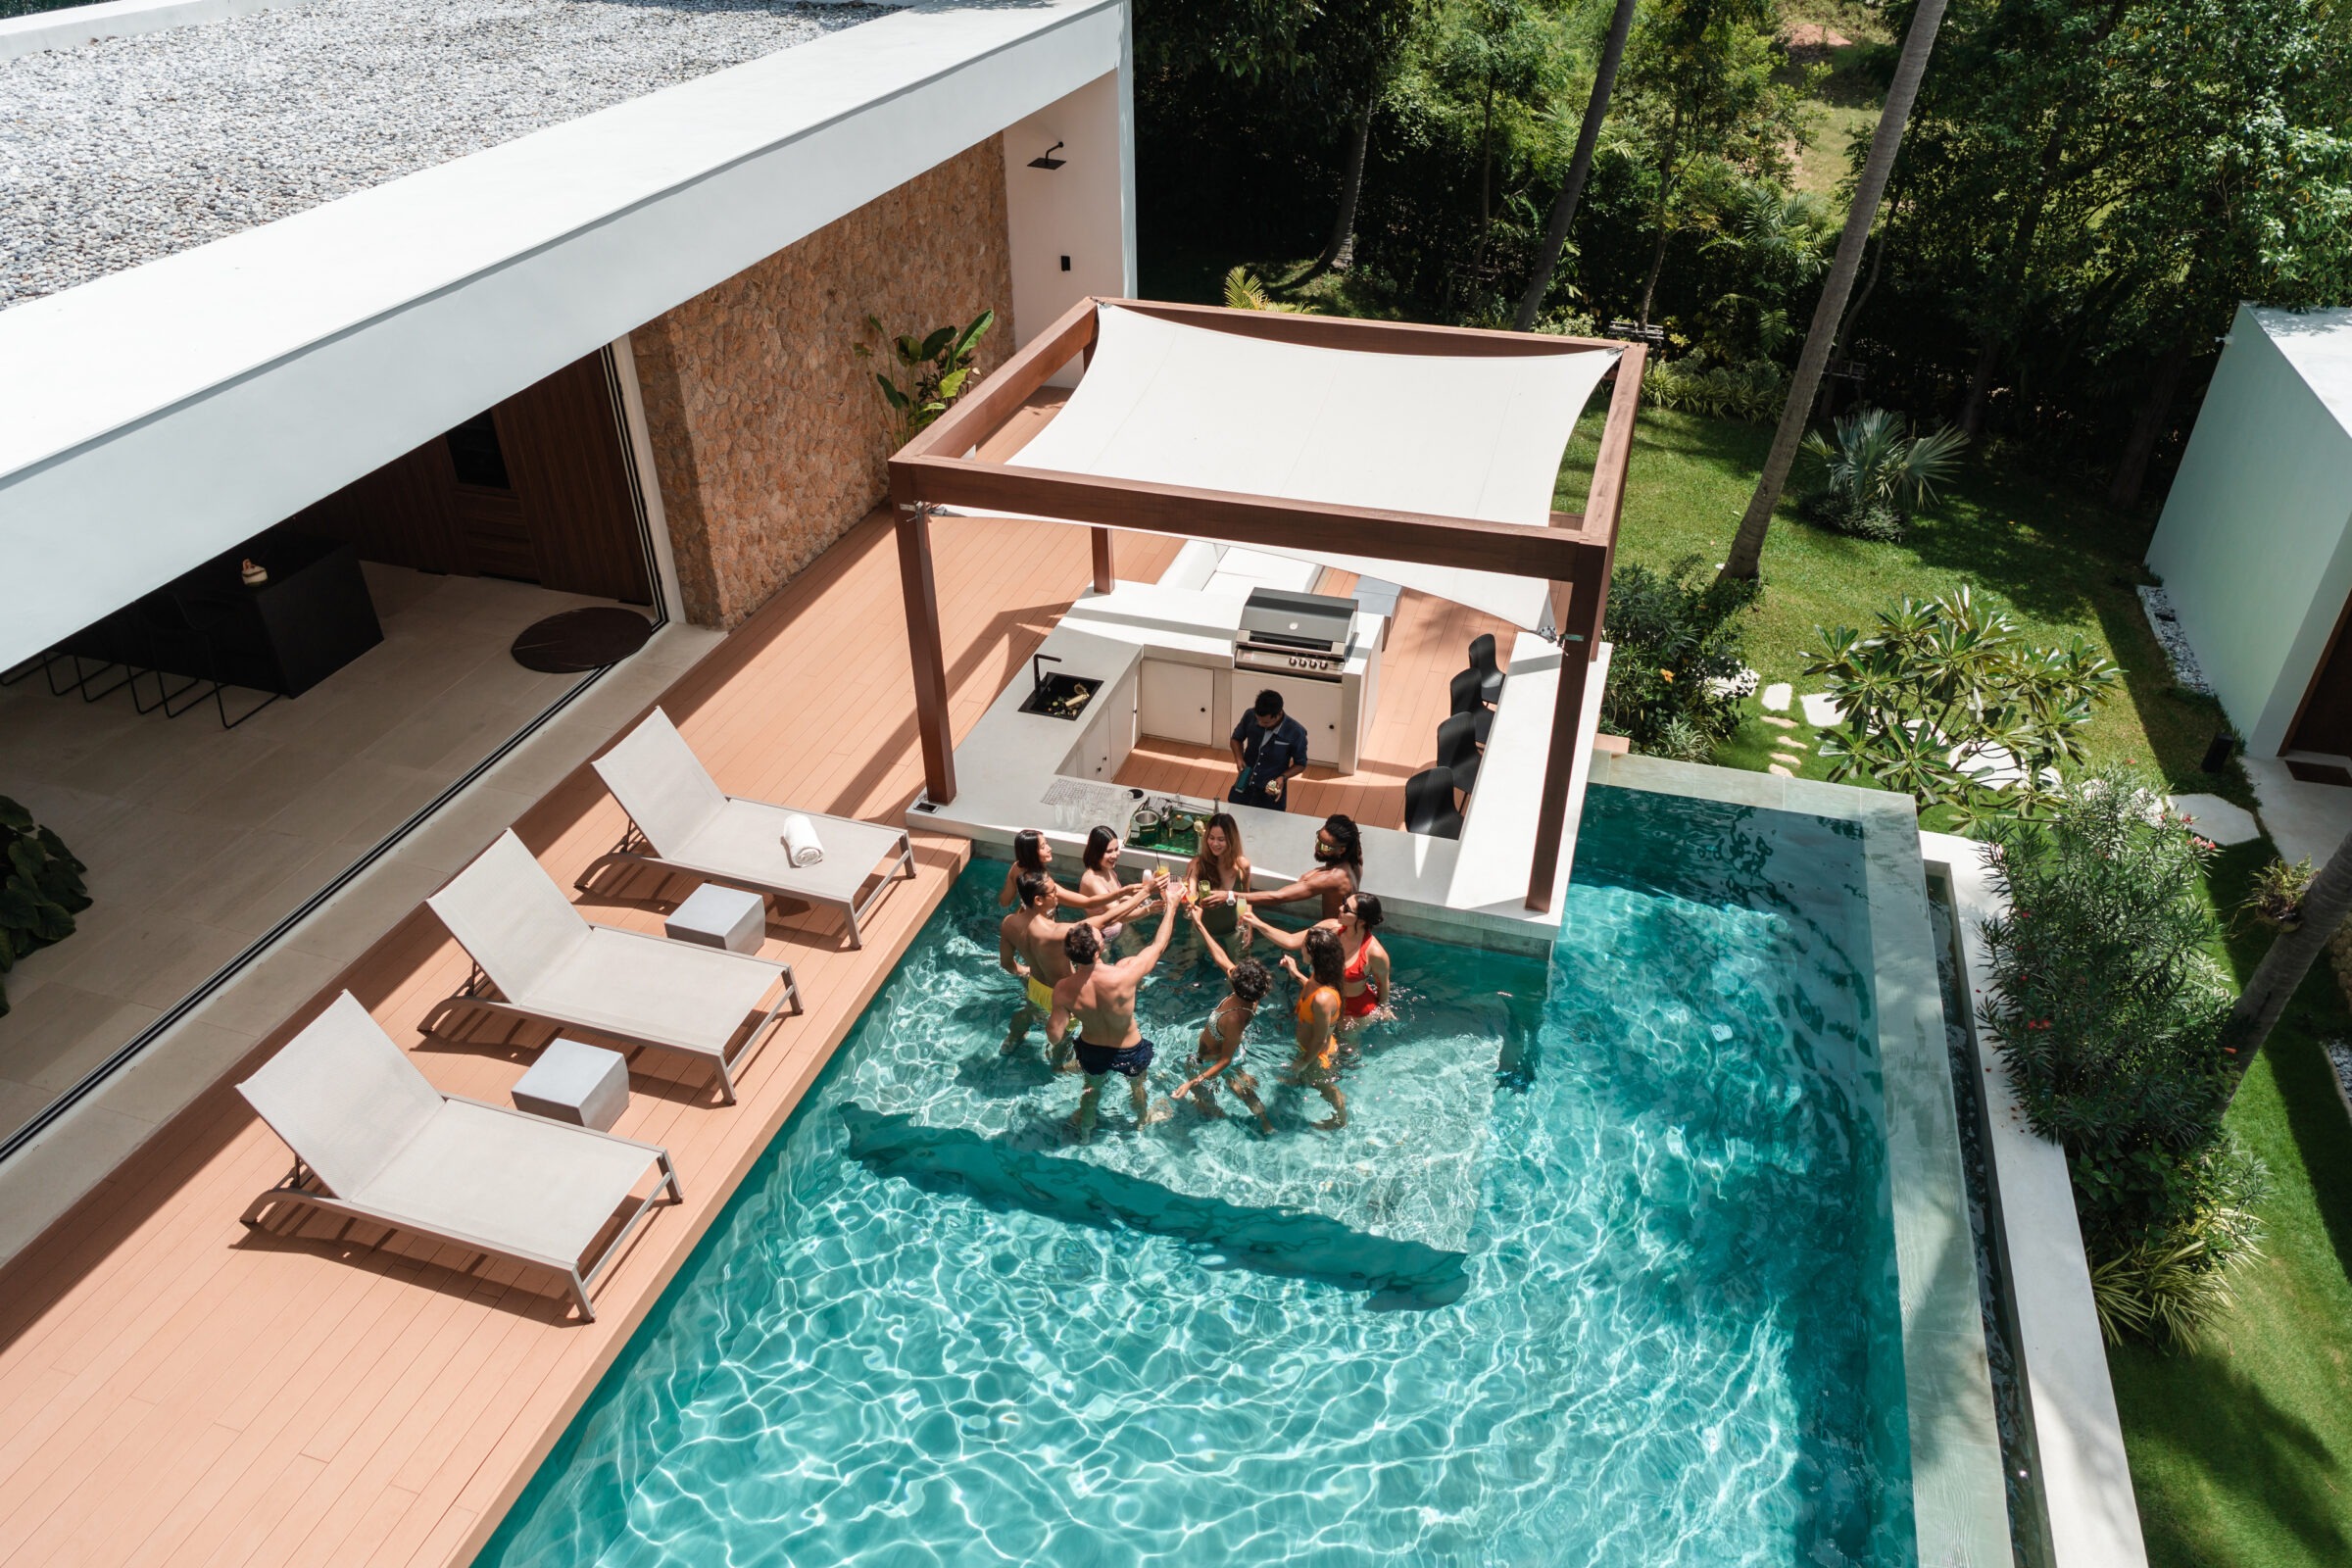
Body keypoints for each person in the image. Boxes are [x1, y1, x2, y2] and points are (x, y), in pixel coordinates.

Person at [1048, 889, 1182, 1135]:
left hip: (1092, 1050)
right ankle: (1142, 1119)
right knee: (1137, 1087)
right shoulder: (1124, 976)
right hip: (1130, 1048)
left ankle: (1086, 1127)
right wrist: (1172, 906)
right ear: (1098, 951)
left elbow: (1055, 1035)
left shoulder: (1064, 989)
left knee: (1091, 1088)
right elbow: (1158, 946)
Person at [998, 870, 1157, 1059]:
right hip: (1063, 994)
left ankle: (1013, 1037)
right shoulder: (1058, 932)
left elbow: (1006, 963)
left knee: (1029, 1011)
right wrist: (1146, 892)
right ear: (1039, 900)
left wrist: (1025, 970)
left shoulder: (1009, 923)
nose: (1057, 895)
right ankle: (1058, 1064)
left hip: (1036, 987)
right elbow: (1109, 919)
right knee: (1063, 1036)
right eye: (1053, 892)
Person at [1169, 906, 1275, 1134]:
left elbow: (1225, 1060)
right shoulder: (1248, 994)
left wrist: (1193, 1081)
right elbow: (1220, 957)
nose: (1231, 970)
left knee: (1239, 1090)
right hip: (1225, 1046)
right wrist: (1200, 924)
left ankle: (1264, 1123)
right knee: (1237, 1084)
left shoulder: (1234, 1017)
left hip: (1214, 1060)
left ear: (1235, 984)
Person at [1243, 891, 1390, 1040]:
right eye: (1344, 902)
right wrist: (1257, 923)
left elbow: (1382, 984)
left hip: (1354, 1011)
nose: (1340, 908)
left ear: (1362, 920)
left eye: (1346, 909)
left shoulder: (1375, 954)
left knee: (1346, 1050)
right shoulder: (1330, 928)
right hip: (1323, 996)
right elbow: (1291, 941)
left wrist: (1384, 1009)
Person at [1278, 925, 1348, 1130]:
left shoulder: (1323, 999)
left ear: (1313, 954)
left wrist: (1303, 1062)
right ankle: (1301, 1079)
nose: (1300, 949)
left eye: (1303, 947)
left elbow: (1320, 1039)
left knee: (1324, 1087)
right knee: (1306, 1080)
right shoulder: (1318, 977)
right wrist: (1294, 972)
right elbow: (1309, 990)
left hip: (1317, 1055)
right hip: (1307, 1048)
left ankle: (1340, 1119)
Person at [1245, 812, 1363, 921]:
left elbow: (1278, 898)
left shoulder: (1333, 879)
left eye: (1326, 847)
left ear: (1342, 849)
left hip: (1333, 937)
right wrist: (1318, 871)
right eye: (1318, 839)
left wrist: (1231, 896)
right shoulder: (1355, 858)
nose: (1318, 847)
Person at [997, 826, 1130, 916]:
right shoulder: (1045, 884)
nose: (1050, 848)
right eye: (1043, 847)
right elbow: (1087, 902)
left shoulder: (1017, 867)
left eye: (1046, 843)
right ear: (1032, 853)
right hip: (1041, 926)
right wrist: (1121, 893)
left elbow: (1005, 901)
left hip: (1022, 917)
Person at [1228, 688, 1310, 810]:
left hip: (1270, 790)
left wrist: (1283, 777)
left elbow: (1300, 764)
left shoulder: (1296, 732)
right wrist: (1239, 759)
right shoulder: (1249, 715)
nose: (1260, 724)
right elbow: (1236, 739)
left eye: (1265, 723)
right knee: (1234, 816)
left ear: (1279, 714)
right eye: (1258, 720)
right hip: (1244, 782)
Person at [1185, 812, 1253, 948]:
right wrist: (1188, 900)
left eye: (1221, 839)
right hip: (1202, 931)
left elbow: (1247, 899)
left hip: (1233, 931)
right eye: (1211, 838)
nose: (1215, 843)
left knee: (1239, 966)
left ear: (1231, 840)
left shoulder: (1242, 866)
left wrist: (1249, 926)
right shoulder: (1197, 865)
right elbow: (1189, 892)